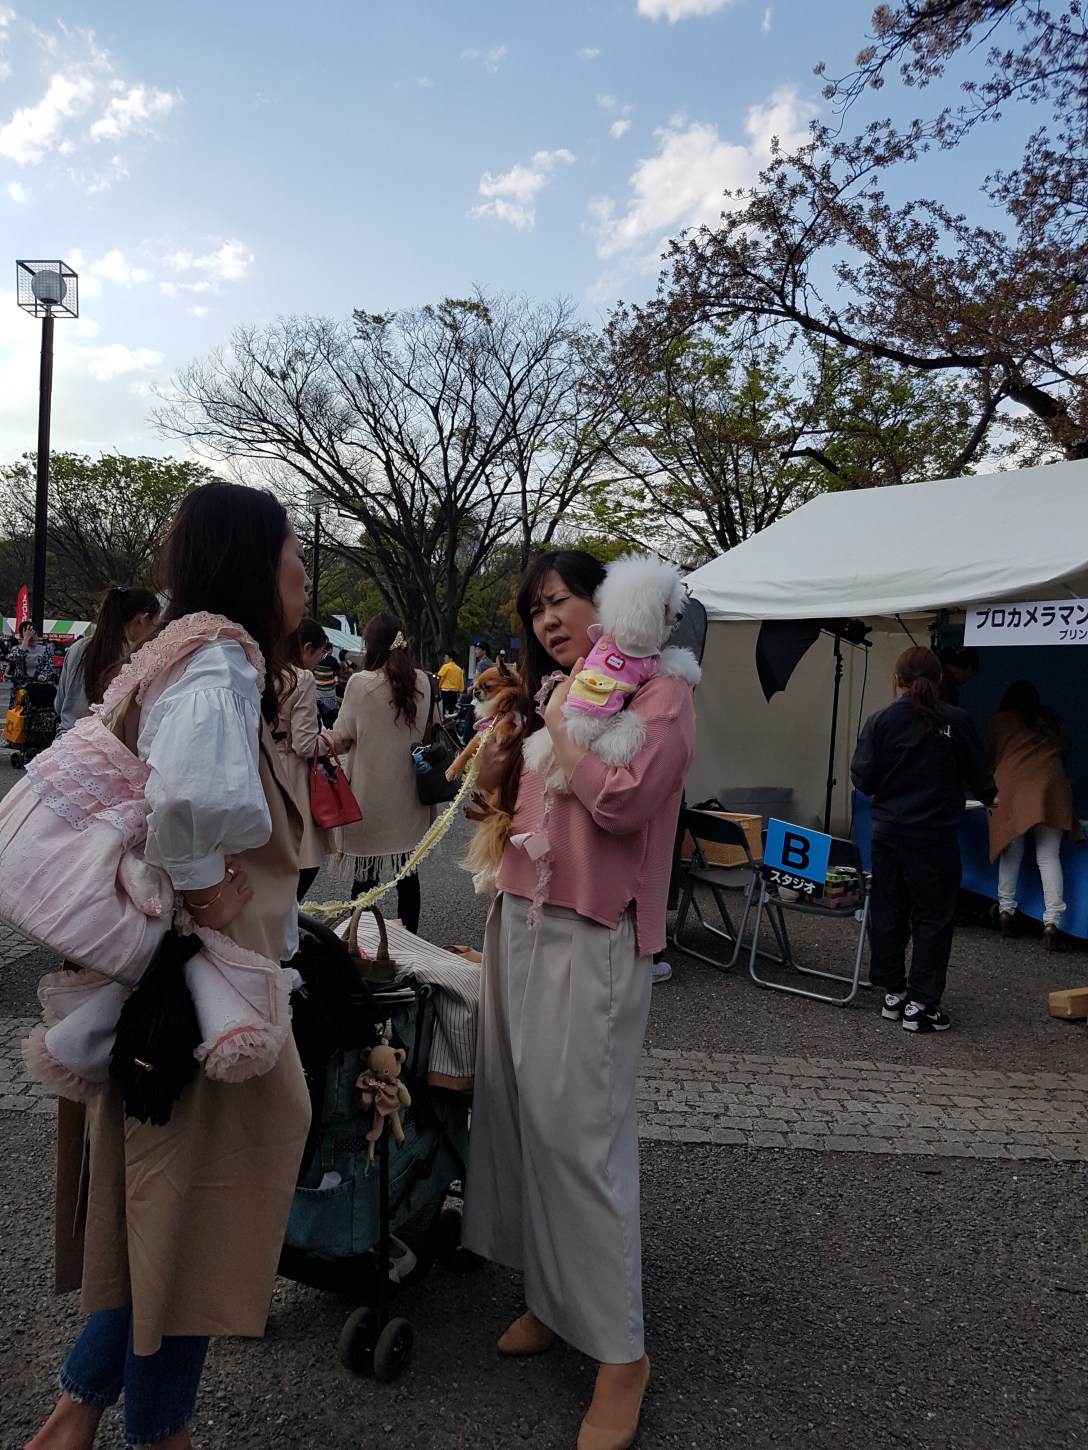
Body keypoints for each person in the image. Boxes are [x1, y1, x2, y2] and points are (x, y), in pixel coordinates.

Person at [27, 482, 312, 1450]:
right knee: (197, 1203)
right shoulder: (220, 656)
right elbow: (186, 799)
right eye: (293, 551)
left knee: (164, 1197)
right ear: (253, 560)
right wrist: (203, 893)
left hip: (167, 972)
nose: (303, 573)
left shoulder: (178, 650)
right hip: (206, 977)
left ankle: (80, 1416)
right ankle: (153, 1430)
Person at [462, 549, 695, 1450]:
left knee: (581, 1137)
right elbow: (512, 809)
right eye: (537, 609)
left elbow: (623, 803)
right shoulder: (556, 692)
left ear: (610, 600)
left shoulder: (661, 695)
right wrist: (499, 762)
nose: (549, 620)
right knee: (522, 1118)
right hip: (520, 917)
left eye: (562, 600)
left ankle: (622, 1354)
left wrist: (559, 731)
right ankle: (553, 1299)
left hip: (595, 932)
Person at [851, 645, 996, 1034]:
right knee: (933, 917)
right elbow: (982, 780)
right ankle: (921, 1004)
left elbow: (863, 778)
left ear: (897, 680)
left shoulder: (881, 721)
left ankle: (893, 994)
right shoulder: (956, 721)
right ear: (939, 678)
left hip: (888, 832)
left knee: (889, 910)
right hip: (935, 836)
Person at [326, 613, 436, 936]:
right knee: (408, 877)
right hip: (409, 799)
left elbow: (343, 735)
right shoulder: (423, 682)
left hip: (369, 799)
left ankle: (356, 942)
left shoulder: (360, 684)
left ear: (371, 645)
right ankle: (410, 942)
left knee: (365, 881)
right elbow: (429, 734)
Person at [987, 681, 1083, 950]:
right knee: (1048, 856)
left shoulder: (1001, 722)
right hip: (1051, 787)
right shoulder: (1049, 722)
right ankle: (1052, 922)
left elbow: (992, 756)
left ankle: (1006, 910)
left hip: (1011, 788)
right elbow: (1063, 753)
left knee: (1011, 849)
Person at [275, 616, 334, 902]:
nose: (316, 664)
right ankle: (286, 920)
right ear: (307, 648)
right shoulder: (301, 679)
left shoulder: (263, 671)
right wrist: (331, 741)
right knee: (303, 858)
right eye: (319, 656)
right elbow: (305, 743)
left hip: (262, 766)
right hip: (291, 773)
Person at [54, 587, 160, 736]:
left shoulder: (78, 648)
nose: (158, 633)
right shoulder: (138, 656)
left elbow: (59, 705)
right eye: (156, 625)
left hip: (67, 740)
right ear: (142, 620)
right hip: (108, 744)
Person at [9, 620, 58, 704]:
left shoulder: (45, 649)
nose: (32, 637)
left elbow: (48, 666)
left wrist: (44, 676)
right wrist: (26, 640)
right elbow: (17, 659)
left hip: (39, 688)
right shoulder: (15, 649)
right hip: (20, 688)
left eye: (34, 634)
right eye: (28, 634)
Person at [312, 641, 340, 726]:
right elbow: (338, 672)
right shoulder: (332, 660)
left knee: (320, 712)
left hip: (317, 690)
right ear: (330, 650)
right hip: (329, 692)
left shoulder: (315, 658)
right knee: (330, 714)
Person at [436, 649, 465, 718]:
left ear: (450, 659)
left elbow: (441, 677)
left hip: (445, 690)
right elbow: (461, 680)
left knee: (442, 707)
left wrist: (438, 686)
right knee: (451, 708)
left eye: (446, 657)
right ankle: (451, 721)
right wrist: (461, 690)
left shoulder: (446, 666)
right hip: (454, 691)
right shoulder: (459, 669)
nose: (444, 658)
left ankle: (442, 719)